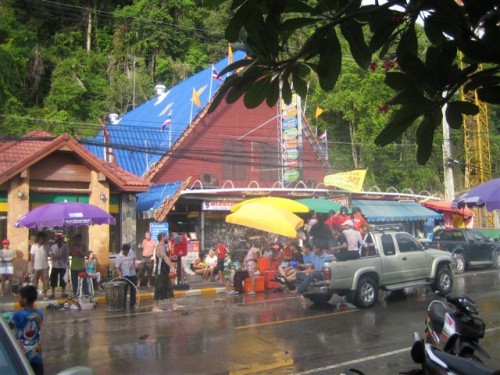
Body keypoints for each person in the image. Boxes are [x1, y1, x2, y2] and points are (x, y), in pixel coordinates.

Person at [11, 285, 44, 374]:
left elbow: (11, 327)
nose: (19, 300)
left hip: (23, 355)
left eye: (20, 298)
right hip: (37, 355)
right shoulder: (40, 314)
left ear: (25, 299)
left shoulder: (18, 315)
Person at [152, 232, 183, 312]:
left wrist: (171, 258)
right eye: (166, 236)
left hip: (165, 270)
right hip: (160, 271)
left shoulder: (163, 247)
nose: (168, 237)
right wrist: (172, 266)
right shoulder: (160, 247)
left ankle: (174, 304)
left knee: (169, 287)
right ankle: (155, 306)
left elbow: (166, 257)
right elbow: (164, 258)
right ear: (163, 237)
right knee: (159, 288)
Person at [114, 244, 137, 308]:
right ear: (123, 250)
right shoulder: (119, 256)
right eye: (126, 251)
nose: (127, 253)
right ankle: (123, 304)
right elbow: (117, 267)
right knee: (124, 290)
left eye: (128, 251)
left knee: (133, 289)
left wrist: (134, 266)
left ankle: (133, 303)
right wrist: (119, 274)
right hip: (125, 275)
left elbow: (134, 259)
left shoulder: (131, 252)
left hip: (132, 273)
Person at [30, 232, 50, 300]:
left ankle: (45, 295)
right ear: (39, 238)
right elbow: (32, 257)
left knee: (46, 281)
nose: (44, 239)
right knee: (35, 281)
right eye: (42, 238)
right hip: (36, 266)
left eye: (44, 238)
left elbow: (50, 253)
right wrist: (32, 266)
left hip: (45, 266)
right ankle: (34, 295)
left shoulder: (46, 246)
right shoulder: (34, 246)